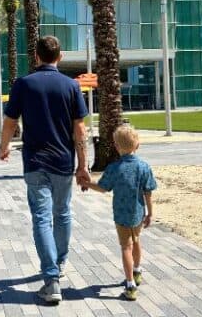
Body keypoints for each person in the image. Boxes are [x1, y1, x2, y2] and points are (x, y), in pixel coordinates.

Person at [0, 36, 89, 304]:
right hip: (63, 162)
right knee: (62, 213)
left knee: (41, 217)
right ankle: (59, 264)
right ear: (60, 57)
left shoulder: (23, 84)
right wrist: (83, 165)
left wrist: (4, 147)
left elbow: (10, 122)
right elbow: (80, 129)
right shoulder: (71, 86)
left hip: (35, 163)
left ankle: (51, 281)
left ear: (36, 57)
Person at [80, 125, 156, 301]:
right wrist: (150, 213)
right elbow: (148, 192)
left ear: (116, 146)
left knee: (126, 247)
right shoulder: (144, 167)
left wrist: (86, 183)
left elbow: (102, 188)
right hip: (138, 213)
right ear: (137, 145)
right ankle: (137, 271)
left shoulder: (114, 168)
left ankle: (130, 285)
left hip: (121, 215)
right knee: (136, 241)